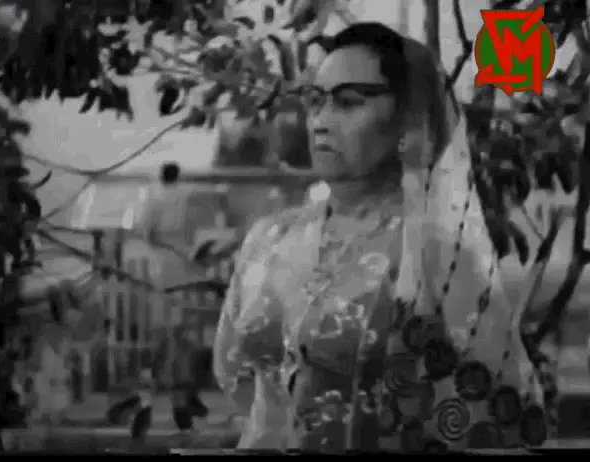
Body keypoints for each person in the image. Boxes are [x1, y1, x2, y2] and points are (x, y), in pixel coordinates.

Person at [213, 23, 548, 452]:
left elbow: (502, 408)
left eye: (348, 102)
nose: (321, 121)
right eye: (316, 100)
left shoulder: (437, 252)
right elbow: (238, 378)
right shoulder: (270, 237)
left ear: (407, 121)